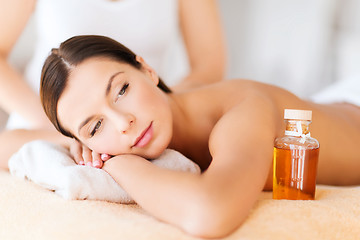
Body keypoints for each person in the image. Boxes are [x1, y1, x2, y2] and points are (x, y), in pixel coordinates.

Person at [37, 35, 360, 238]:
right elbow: (13, 142)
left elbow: (209, 213)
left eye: (121, 90)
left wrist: (118, 166)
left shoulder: (241, 113)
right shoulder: (146, 119)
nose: (123, 122)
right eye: (95, 126)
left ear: (147, 70)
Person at [0, 0, 225, 166]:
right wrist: (71, 132)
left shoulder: (135, 117)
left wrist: (163, 110)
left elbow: (209, 63)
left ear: (147, 70)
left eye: (123, 89)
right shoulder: (74, 132)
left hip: (145, 122)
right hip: (48, 123)